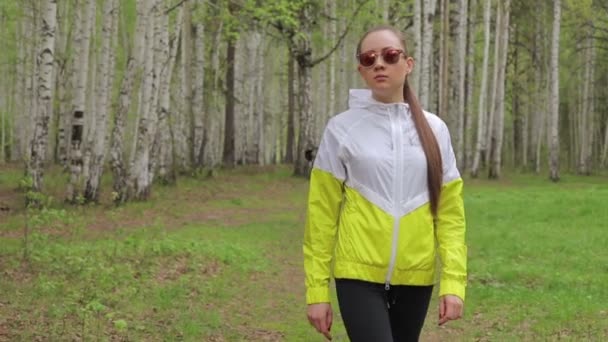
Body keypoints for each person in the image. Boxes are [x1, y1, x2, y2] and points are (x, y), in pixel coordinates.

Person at [303, 25, 467, 342]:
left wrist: (454, 282)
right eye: (369, 58)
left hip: (416, 278)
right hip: (356, 275)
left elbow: (450, 214)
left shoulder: (435, 130)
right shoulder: (341, 129)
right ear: (361, 70)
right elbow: (321, 216)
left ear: (408, 64)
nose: (380, 63)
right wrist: (317, 291)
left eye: (390, 55)